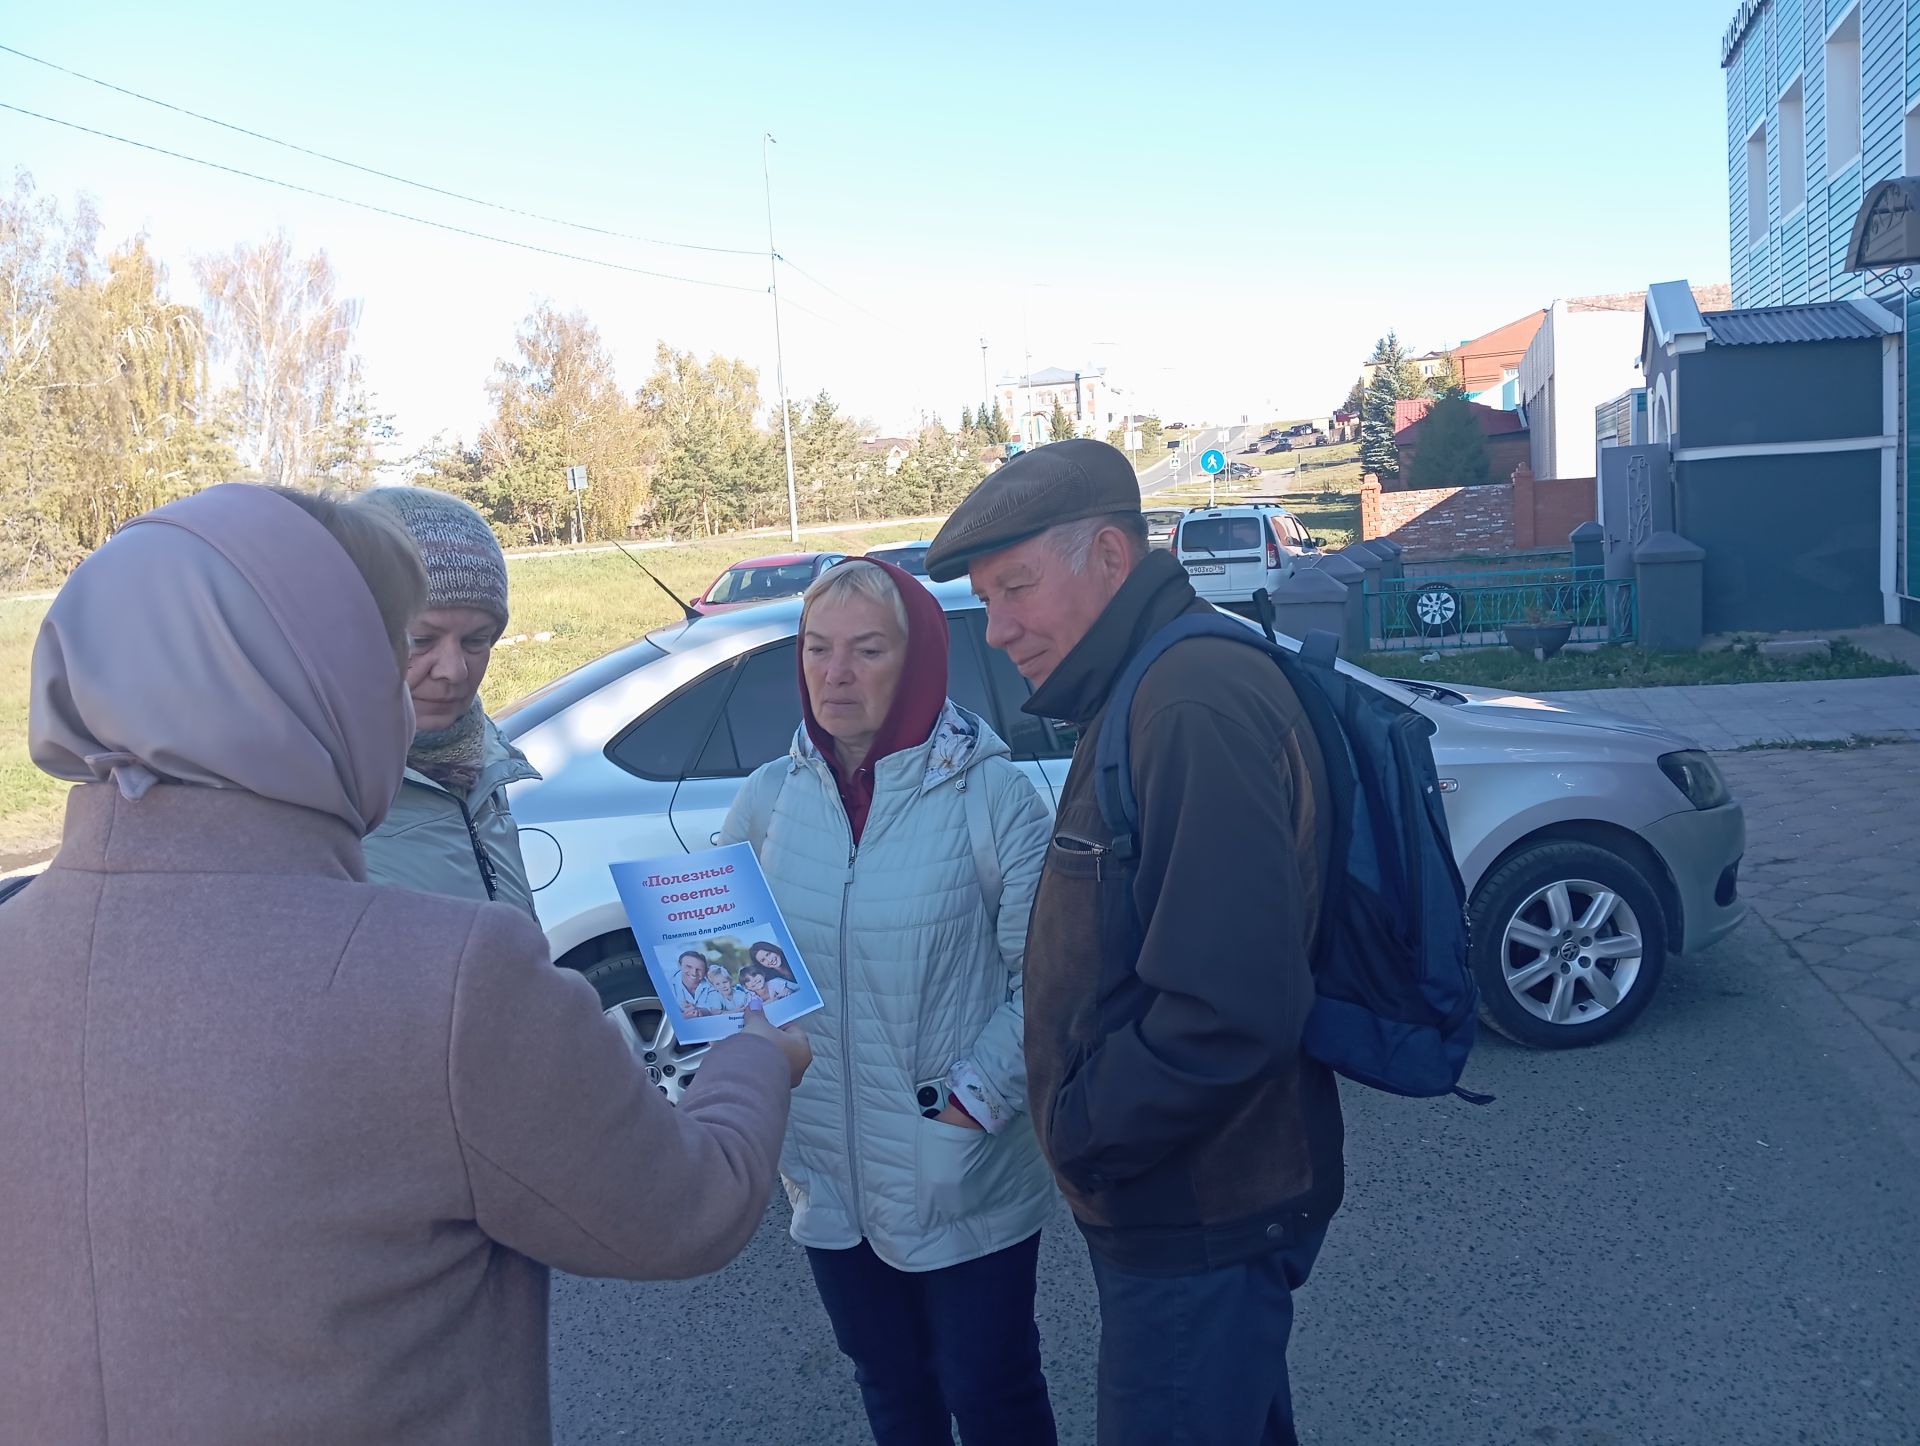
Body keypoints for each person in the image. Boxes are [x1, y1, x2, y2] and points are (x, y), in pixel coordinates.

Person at [0, 483, 809, 1446]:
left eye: (474, 642)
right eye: (389, 649)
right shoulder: (450, 979)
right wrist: (756, 1055)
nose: (432, 677)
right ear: (319, 677)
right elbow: (687, 1206)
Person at [925, 438, 1341, 1446]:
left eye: (1017, 587)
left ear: (1109, 558)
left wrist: (1080, 1128)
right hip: (1187, 1195)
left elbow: (1228, 1004)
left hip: (1199, 1207)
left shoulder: (1188, 700)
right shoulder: (1148, 682)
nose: (1000, 627)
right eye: (987, 598)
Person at [720, 557, 1059, 1446]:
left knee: (992, 1393)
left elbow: (1053, 984)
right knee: (890, 1390)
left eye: (866, 650)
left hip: (961, 1166)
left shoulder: (992, 798)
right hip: (830, 1175)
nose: (835, 674)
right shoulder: (768, 802)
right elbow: (733, 979)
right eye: (816, 648)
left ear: (916, 662)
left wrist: (965, 1113)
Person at [353, 485, 540, 914]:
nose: (454, 671)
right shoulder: (311, 800)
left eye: (477, 641)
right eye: (420, 641)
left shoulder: (483, 759)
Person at [670, 949, 709, 1015]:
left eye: (699, 969)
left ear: (705, 972)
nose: (694, 973)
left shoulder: (712, 985)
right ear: (679, 966)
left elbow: (716, 1010)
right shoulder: (668, 986)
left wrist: (700, 1011)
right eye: (689, 967)